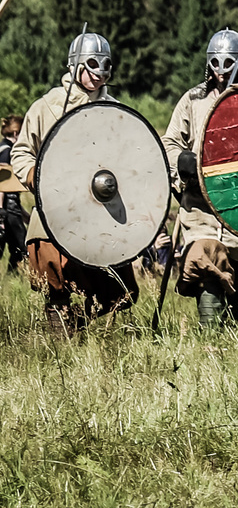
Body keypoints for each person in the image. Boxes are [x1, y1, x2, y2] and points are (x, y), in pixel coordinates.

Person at [12, 32, 139, 330]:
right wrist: (33, 174)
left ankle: (79, 324)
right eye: (92, 64)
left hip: (100, 212)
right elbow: (21, 152)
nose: (99, 73)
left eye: (105, 65)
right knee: (53, 271)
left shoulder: (115, 110)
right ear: (75, 64)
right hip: (55, 209)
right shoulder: (48, 106)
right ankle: (59, 332)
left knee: (117, 290)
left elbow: (133, 159)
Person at [162, 28, 238, 329]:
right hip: (202, 208)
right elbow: (170, 142)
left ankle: (233, 339)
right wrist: (183, 162)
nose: (221, 71)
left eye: (229, 63)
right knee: (205, 259)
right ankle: (210, 335)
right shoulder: (193, 100)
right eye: (216, 63)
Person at [0, 112, 24, 272]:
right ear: (16, 133)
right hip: (9, 210)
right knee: (22, 247)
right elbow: (2, 184)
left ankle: (10, 280)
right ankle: (11, 278)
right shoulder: (7, 152)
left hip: (10, 209)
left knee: (14, 247)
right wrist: (0, 211)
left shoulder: (2, 148)